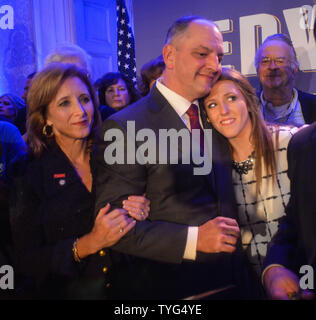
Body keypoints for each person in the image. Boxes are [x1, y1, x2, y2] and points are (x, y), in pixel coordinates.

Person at [94, 16, 252, 300]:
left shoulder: (217, 113)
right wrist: (194, 239)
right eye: (202, 54)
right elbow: (115, 228)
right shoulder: (125, 127)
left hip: (238, 281)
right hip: (173, 289)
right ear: (169, 55)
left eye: (218, 56)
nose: (215, 65)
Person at [9, 63, 150, 300]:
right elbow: (27, 261)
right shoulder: (26, 172)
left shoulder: (117, 156)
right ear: (45, 117)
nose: (81, 111)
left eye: (84, 99)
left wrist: (145, 211)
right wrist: (89, 243)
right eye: (65, 103)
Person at [202, 67, 298, 294]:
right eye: (212, 105)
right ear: (207, 116)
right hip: (250, 287)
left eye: (231, 98)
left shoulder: (289, 142)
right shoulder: (211, 169)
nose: (224, 111)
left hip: (300, 277)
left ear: (248, 101)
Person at [255, 33, 316, 126]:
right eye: (265, 61)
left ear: (294, 69)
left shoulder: (313, 106)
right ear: (257, 70)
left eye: (280, 61)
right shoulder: (245, 107)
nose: (272, 67)